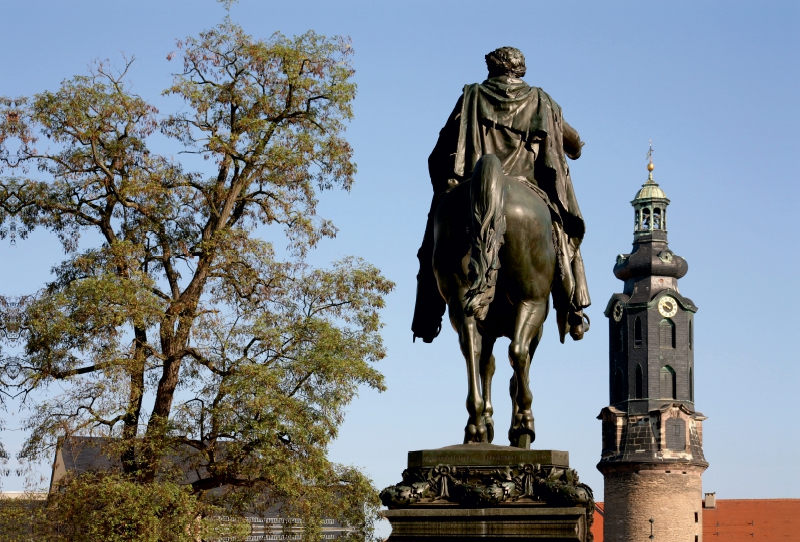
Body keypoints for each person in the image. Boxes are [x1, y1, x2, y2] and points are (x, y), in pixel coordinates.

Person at [411, 46, 590, 344]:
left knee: (431, 243)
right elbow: (574, 146)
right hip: (528, 188)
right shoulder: (543, 101)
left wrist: (448, 185)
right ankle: (573, 310)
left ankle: (427, 318)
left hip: (471, 188)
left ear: (492, 69)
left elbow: (441, 151)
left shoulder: (471, 96)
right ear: (521, 70)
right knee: (563, 235)